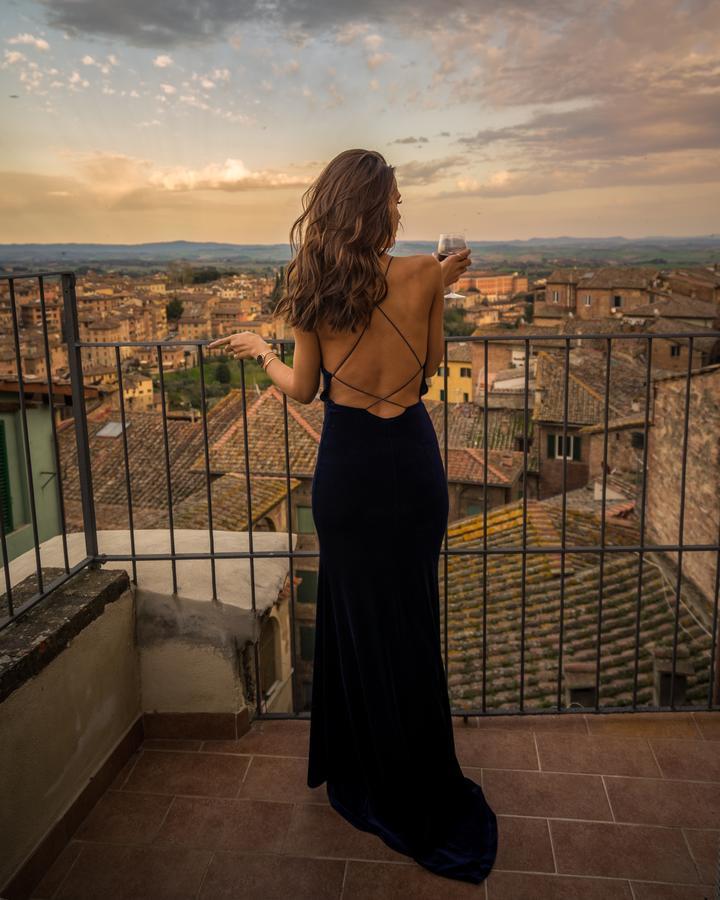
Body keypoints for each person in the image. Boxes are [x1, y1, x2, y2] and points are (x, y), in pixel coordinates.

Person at [208, 148, 498, 885]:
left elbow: (303, 388)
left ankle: (361, 767)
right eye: (395, 199)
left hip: (348, 474)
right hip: (412, 463)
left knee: (356, 619)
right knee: (409, 619)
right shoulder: (426, 273)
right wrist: (437, 287)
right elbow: (430, 365)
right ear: (384, 208)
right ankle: (419, 776)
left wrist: (258, 351)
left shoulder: (310, 284)